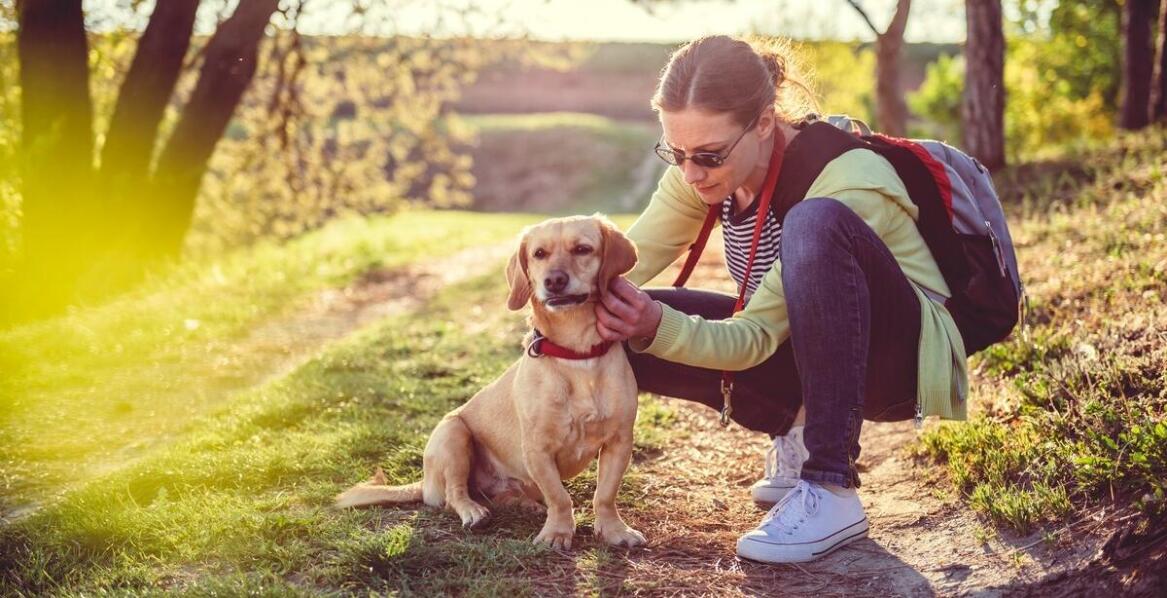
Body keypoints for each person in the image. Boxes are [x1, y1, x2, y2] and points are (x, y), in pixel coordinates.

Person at [593, 35, 968, 564]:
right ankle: (796, 426)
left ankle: (832, 486)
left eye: (708, 155)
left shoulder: (845, 182)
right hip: (806, 346)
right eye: (675, 153)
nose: (690, 172)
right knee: (610, 320)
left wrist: (658, 324)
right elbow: (617, 265)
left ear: (764, 123)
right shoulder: (702, 173)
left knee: (813, 224)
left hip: (898, 362)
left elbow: (753, 338)